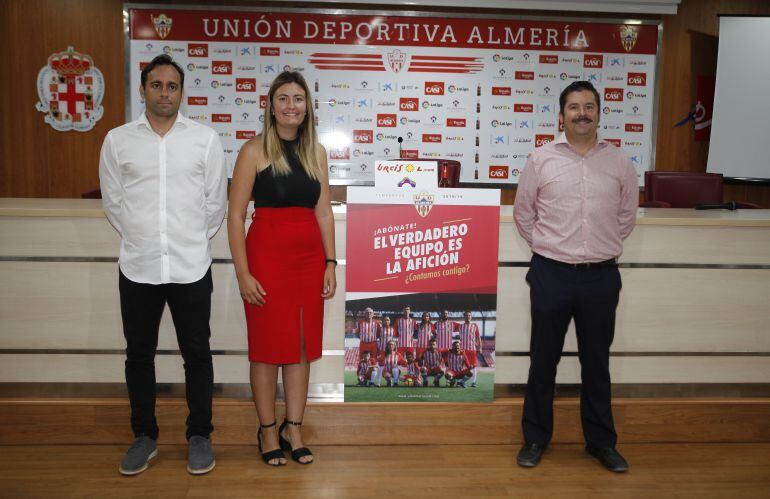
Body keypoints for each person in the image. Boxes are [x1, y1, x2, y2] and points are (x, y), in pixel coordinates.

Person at [99, 54, 227, 476]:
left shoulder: (205, 140)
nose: (165, 93)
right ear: (143, 89)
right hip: (139, 266)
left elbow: (214, 205)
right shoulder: (118, 141)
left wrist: (188, 239)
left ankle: (200, 436)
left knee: (198, 354)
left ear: (181, 91)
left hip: (191, 265)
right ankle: (144, 436)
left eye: (172, 86)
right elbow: (114, 204)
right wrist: (142, 236)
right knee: (139, 354)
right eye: (157, 85)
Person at [513, 80, 638, 472]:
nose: (581, 113)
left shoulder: (619, 162)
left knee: (596, 363)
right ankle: (535, 438)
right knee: (543, 361)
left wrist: (596, 247)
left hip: (600, 277)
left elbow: (626, 217)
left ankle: (601, 443)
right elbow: (524, 214)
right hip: (551, 273)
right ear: (561, 116)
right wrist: (552, 248)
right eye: (574, 107)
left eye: (588, 106)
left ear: (599, 113)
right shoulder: (541, 159)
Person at [228, 70, 336, 466]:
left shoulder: (317, 153)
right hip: (266, 260)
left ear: (308, 107)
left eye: (299, 99)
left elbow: (324, 212)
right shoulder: (253, 151)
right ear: (271, 106)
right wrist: (243, 272)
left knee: (301, 347)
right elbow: (236, 215)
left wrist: (330, 262)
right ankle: (268, 429)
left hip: (309, 262)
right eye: (284, 98)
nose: (292, 106)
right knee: (267, 349)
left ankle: (295, 426)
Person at [458, 311, 482, 388]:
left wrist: (480, 347)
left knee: (473, 366)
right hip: (462, 350)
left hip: (472, 349)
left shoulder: (474, 326)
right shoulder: (460, 326)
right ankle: (459, 381)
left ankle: (474, 382)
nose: (468, 316)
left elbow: (478, 337)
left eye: (469, 315)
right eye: (466, 315)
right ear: (464, 317)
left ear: (471, 317)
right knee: (461, 366)